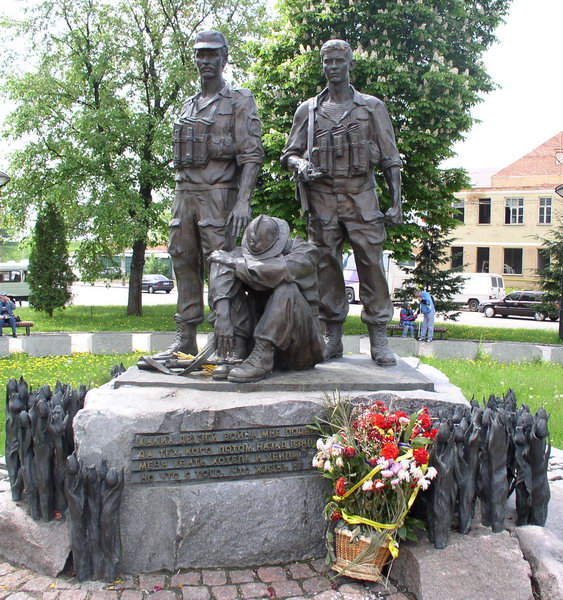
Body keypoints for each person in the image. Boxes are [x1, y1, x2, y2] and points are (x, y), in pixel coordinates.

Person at [281, 39, 402, 366]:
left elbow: (390, 158)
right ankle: (332, 337)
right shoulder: (308, 110)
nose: (333, 67)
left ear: (350, 64)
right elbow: (289, 154)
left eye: (338, 61)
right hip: (321, 199)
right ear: (322, 65)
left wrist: (396, 202)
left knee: (371, 265)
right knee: (325, 267)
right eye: (327, 61)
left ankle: (378, 337)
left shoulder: (372, 107)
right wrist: (299, 164)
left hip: (361, 196)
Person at [162, 30, 264, 358]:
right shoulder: (188, 105)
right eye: (200, 54)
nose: (205, 60)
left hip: (219, 195)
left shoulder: (239, 100)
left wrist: (243, 201)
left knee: (221, 265)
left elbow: (252, 154)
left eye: (212, 54)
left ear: (224, 58)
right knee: (182, 258)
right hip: (184, 194)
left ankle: (229, 340)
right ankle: (185, 338)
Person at [207, 215, 324, 383]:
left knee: (286, 288)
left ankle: (262, 356)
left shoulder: (305, 251)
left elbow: (284, 269)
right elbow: (220, 262)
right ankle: (235, 351)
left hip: (299, 347)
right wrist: (222, 317)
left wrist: (235, 264)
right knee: (223, 266)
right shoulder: (241, 254)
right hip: (253, 340)